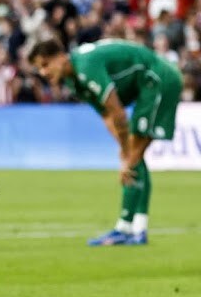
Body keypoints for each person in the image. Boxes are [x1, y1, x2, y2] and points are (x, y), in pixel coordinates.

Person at [29, 38, 183, 246]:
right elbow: (106, 115)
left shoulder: (86, 66)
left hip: (159, 78)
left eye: (45, 64)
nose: (43, 72)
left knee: (133, 156)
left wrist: (126, 155)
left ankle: (125, 228)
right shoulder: (72, 80)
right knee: (134, 156)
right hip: (146, 83)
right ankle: (137, 230)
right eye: (39, 68)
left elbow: (118, 113)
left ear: (61, 57)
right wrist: (124, 150)